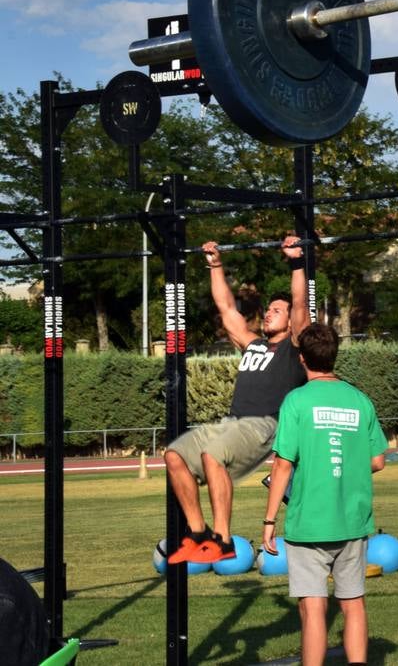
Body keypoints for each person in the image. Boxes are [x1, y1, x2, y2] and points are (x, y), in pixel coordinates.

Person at [162, 235, 309, 564]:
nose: (269, 314)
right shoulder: (253, 343)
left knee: (212, 455)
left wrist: (297, 263)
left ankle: (223, 539)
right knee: (174, 456)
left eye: (276, 311)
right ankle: (199, 533)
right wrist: (216, 265)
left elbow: (300, 307)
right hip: (233, 423)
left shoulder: (293, 348)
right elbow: (226, 307)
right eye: (268, 309)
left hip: (265, 425)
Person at [262, 323, 387, 666]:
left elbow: (283, 464)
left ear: (302, 358)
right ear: (335, 356)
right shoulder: (360, 400)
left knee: (313, 606)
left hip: (309, 521)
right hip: (353, 518)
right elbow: (377, 461)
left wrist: (270, 520)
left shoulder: (296, 401)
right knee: (353, 603)